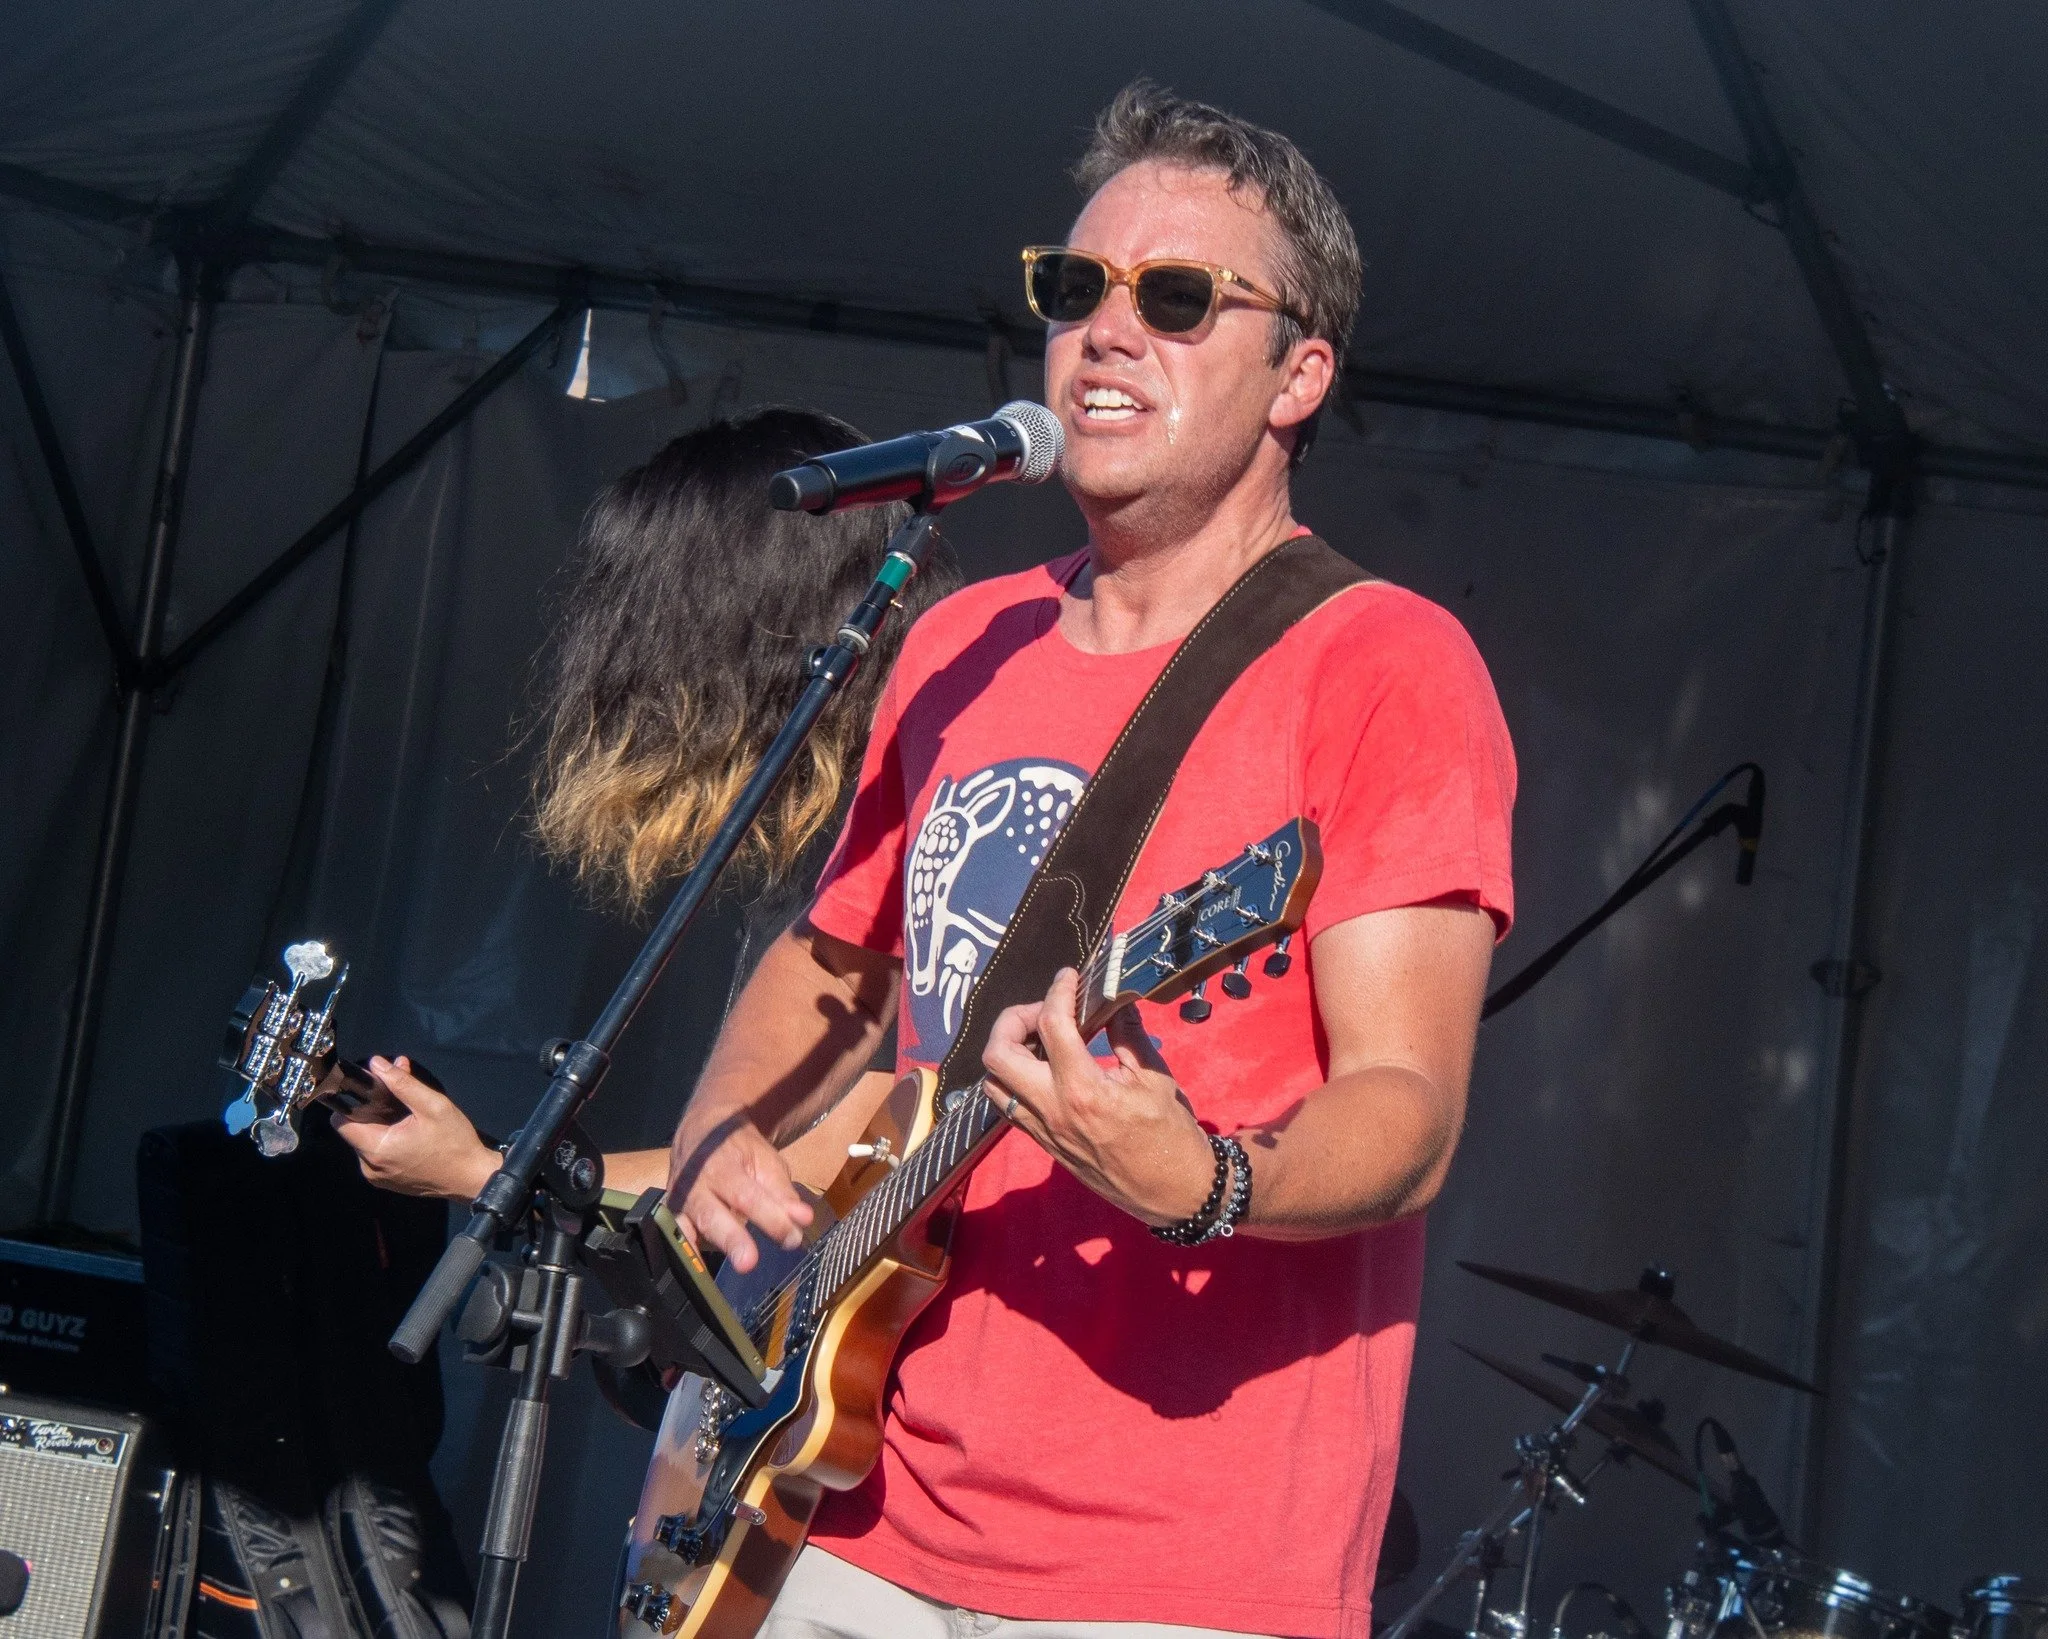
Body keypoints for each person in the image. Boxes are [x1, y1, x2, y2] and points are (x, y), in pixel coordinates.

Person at [672, 83, 1516, 1639]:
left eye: (1182, 299)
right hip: (846, 1500)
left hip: (1180, 1565)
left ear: (1298, 374)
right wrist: (724, 1126)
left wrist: (1208, 1179)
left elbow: (1407, 1106)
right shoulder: (955, 639)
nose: (1108, 331)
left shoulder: (1387, 660)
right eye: (1077, 288)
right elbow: (833, 957)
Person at [333, 406, 958, 1203]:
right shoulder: (807, 826)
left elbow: (851, 1154)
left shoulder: (904, 823)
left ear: (738, 620)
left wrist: (483, 1175)